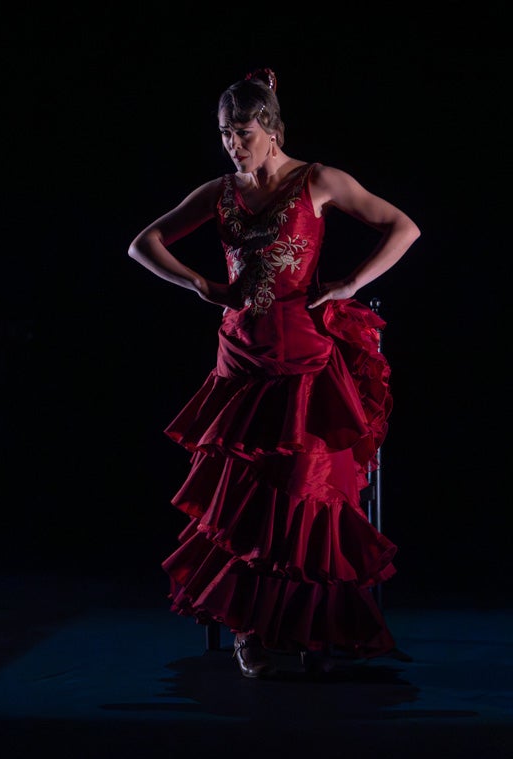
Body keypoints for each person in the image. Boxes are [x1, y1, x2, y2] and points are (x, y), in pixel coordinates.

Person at [127, 68, 420, 678]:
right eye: (224, 133)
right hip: (241, 353)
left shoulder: (318, 180)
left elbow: (404, 227)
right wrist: (202, 285)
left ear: (270, 127)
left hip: (304, 348)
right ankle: (248, 629)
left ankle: (310, 626)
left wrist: (349, 283)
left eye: (241, 131)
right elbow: (143, 242)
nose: (233, 144)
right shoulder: (220, 191)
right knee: (242, 496)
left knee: (306, 487)